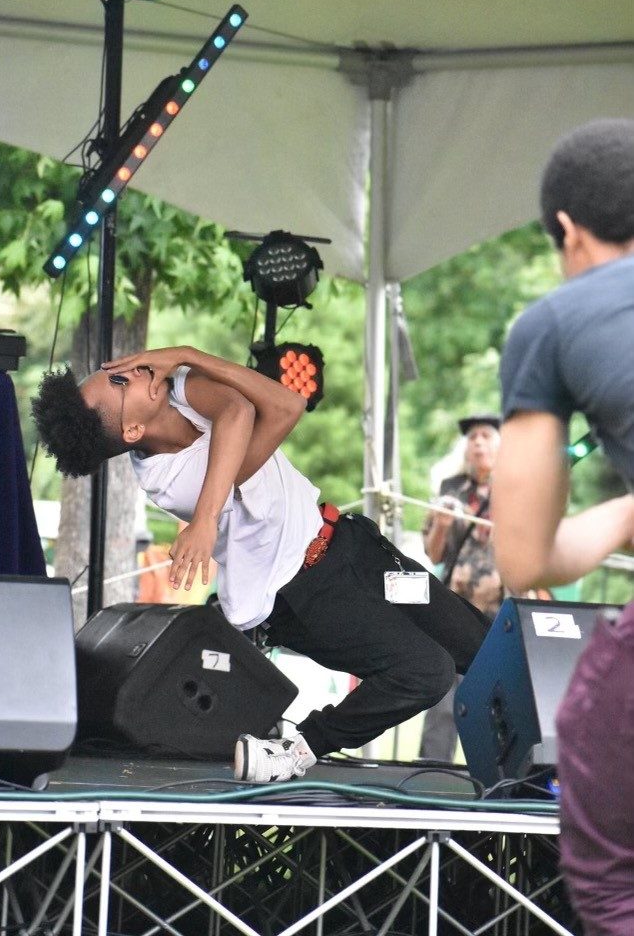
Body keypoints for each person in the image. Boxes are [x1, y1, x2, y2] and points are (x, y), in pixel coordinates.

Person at [33, 345, 489, 783]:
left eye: (122, 368)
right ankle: (298, 748)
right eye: (118, 381)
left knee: (485, 648)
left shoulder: (179, 388)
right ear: (132, 430)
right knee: (427, 673)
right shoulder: (167, 482)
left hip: (352, 545)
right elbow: (271, 413)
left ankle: (538, 764)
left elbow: (273, 402)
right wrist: (206, 516)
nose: (133, 369)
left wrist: (188, 353)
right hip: (304, 593)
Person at [492, 118, 634, 936]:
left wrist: (614, 513)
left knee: (589, 727)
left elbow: (523, 556)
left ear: (569, 233)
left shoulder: (552, 323)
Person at [419, 412, 502, 761]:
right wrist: (441, 524)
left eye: (485, 435)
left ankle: (498, 782)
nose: (478, 442)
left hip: (501, 614)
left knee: (499, 702)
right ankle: (432, 778)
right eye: (472, 437)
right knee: (443, 701)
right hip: (455, 610)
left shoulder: (519, 489)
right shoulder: (451, 489)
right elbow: (433, 552)